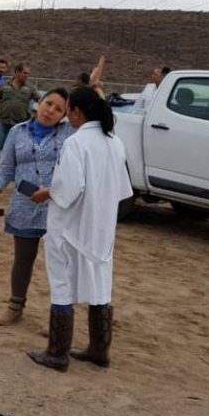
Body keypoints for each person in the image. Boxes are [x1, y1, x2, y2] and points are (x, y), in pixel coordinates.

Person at [27, 86, 133, 372]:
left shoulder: (77, 143)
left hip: (70, 229)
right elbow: (123, 190)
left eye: (68, 110)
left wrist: (47, 192)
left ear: (77, 111)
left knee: (62, 287)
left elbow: (68, 191)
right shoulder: (115, 142)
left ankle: (57, 352)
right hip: (101, 231)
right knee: (100, 288)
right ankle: (99, 349)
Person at [0, 88, 73, 326]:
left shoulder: (70, 134)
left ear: (65, 114)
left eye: (58, 109)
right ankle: (15, 307)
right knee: (23, 259)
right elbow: (5, 168)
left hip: (58, 208)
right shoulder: (17, 132)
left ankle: (59, 317)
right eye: (48, 103)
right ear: (39, 103)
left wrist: (96, 87)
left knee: (60, 264)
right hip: (24, 206)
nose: (51, 111)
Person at [0, 63, 39, 178]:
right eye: (25, 73)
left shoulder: (31, 88)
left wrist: (38, 116)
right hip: (2, 121)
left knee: (17, 149)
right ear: (17, 72)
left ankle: (14, 173)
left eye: (28, 73)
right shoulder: (3, 86)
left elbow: (41, 101)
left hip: (21, 124)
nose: (27, 76)